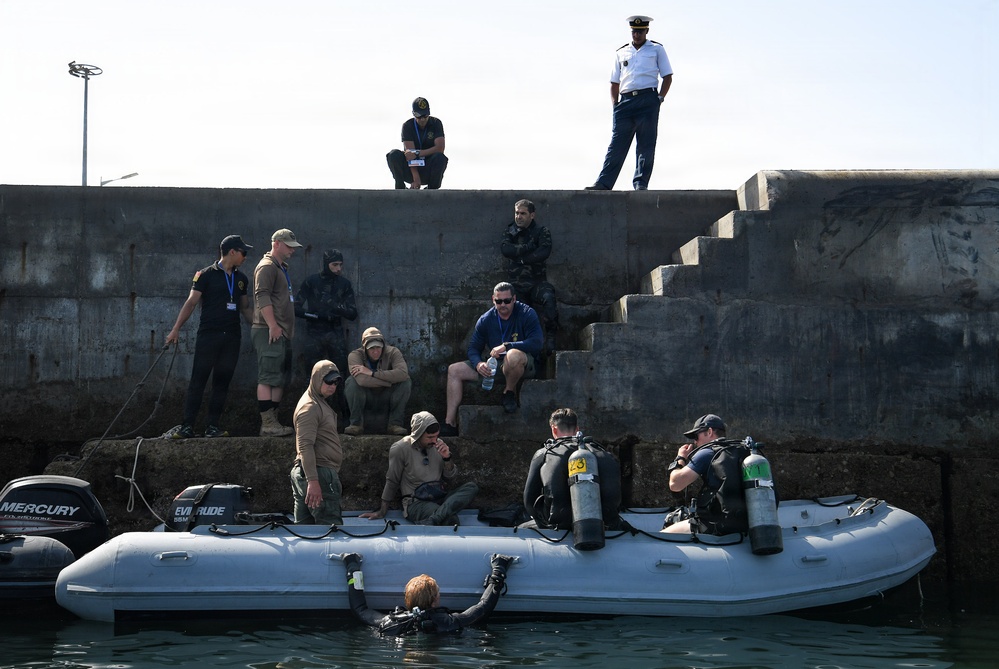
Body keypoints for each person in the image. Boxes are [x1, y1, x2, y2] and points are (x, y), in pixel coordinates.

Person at [165, 235, 254, 439]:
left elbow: (245, 308)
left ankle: (212, 426)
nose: (245, 257)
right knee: (198, 380)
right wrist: (176, 328)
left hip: (232, 336)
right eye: (243, 252)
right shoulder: (205, 275)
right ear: (232, 251)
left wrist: (263, 325)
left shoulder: (241, 279)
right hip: (209, 335)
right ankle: (187, 426)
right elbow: (191, 303)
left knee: (222, 382)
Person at [585, 15, 673, 191]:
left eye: (640, 31)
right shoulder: (621, 52)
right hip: (625, 102)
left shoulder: (656, 49)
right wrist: (615, 104)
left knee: (645, 144)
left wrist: (660, 99)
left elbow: (667, 76)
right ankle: (604, 183)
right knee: (617, 145)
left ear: (646, 31)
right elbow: (614, 82)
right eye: (634, 31)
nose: (637, 35)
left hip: (648, 99)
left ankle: (640, 183)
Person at [442, 282, 543, 434]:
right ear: (493, 300)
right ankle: (450, 423)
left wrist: (507, 345)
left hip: (522, 364)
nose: (503, 305)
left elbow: (537, 343)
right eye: (499, 301)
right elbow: (473, 348)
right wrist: (478, 364)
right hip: (496, 366)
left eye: (507, 301)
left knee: (513, 355)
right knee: (454, 370)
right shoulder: (486, 319)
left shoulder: (527, 313)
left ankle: (508, 393)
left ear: (514, 299)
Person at [340, 552, 513, 636]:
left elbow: (360, 610)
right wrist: (499, 570)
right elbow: (483, 607)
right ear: (434, 601)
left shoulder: (390, 623)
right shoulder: (450, 622)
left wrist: (352, 568)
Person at [359, 411, 478, 525]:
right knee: (451, 520)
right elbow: (392, 481)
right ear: (418, 434)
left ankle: (435, 518)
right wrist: (382, 511)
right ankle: (440, 516)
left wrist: (447, 458)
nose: (434, 441)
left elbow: (450, 477)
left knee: (471, 487)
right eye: (430, 437)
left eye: (436, 436)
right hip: (416, 502)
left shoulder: (439, 445)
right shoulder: (401, 448)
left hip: (439, 497)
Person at [522, 408, 622, 530]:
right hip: (604, 524)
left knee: (521, 528)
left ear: (554, 429)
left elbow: (529, 502)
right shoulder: (601, 452)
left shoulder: (545, 453)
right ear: (577, 429)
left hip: (559, 525)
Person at [661, 414, 751, 535]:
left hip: (717, 525)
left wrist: (680, 458)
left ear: (709, 432)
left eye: (696, 436)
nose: (695, 441)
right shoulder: (743, 451)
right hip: (747, 523)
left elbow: (675, 484)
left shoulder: (707, 453)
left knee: (663, 535)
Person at [252, 228, 303, 437]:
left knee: (279, 377)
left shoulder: (280, 267)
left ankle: (273, 420)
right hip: (268, 330)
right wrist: (272, 325)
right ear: (276, 244)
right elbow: (261, 295)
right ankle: (267, 422)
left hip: (280, 332)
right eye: (289, 246)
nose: (292, 250)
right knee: (268, 376)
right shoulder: (266, 267)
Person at [501, 199, 558, 356]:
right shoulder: (511, 231)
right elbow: (506, 250)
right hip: (517, 286)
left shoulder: (541, 231)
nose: (518, 217)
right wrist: (528, 247)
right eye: (516, 213)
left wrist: (522, 259)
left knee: (548, 297)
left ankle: (551, 338)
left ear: (532, 215)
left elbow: (543, 252)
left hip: (536, 283)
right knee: (516, 313)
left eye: (523, 213)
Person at [290, 361, 344, 525]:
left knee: (304, 532)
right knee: (331, 528)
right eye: (328, 381)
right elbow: (305, 445)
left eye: (336, 382)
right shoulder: (310, 407)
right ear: (316, 379)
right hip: (318, 474)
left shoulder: (318, 401)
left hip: (313, 473)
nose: (332, 386)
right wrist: (313, 481)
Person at [295, 249, 357, 378]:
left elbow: (352, 313)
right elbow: (295, 308)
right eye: (334, 265)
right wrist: (315, 315)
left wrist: (335, 307)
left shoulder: (344, 284)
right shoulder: (311, 282)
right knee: (312, 374)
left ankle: (339, 398)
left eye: (340, 264)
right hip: (314, 334)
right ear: (326, 264)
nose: (338, 268)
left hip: (335, 333)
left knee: (340, 373)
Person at [344, 326, 411, 436]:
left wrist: (372, 373)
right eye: (371, 348)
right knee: (351, 382)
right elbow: (361, 380)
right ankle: (356, 424)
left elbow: (403, 374)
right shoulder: (355, 355)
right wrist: (390, 381)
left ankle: (395, 424)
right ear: (365, 347)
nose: (376, 352)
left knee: (405, 382)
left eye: (378, 348)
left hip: (387, 395)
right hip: (366, 395)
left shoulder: (393, 352)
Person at [386, 97, 448, 190]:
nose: (422, 119)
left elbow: (440, 148)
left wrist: (418, 153)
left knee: (440, 158)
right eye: (419, 116)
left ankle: (432, 189)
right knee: (393, 155)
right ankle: (400, 188)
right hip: (411, 169)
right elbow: (410, 155)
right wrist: (416, 179)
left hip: (428, 167)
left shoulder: (436, 123)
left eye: (425, 116)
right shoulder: (408, 126)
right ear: (414, 114)